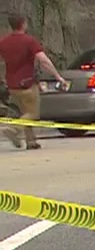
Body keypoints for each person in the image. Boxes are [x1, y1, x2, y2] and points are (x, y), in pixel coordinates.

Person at [0, 14, 66, 150]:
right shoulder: (29, 41)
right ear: (23, 24)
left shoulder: (4, 42)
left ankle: (31, 141)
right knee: (33, 114)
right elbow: (43, 60)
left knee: (25, 112)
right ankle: (13, 129)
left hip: (12, 85)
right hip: (28, 84)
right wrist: (57, 76)